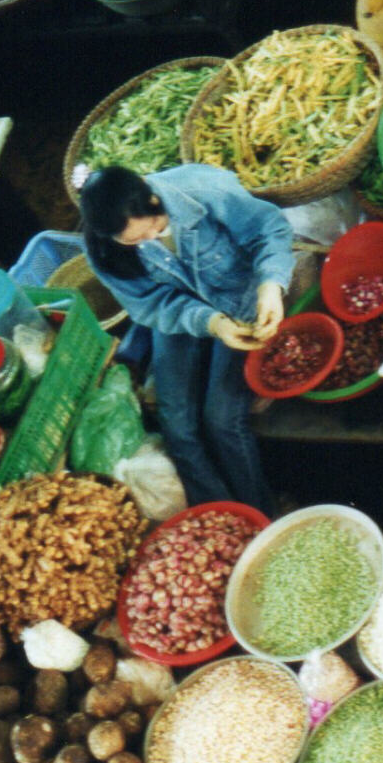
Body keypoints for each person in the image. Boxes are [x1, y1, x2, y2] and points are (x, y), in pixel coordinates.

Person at [79, 164, 293, 514]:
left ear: (151, 197)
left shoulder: (202, 190)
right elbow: (152, 305)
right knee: (176, 422)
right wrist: (211, 323)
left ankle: (260, 511)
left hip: (240, 295)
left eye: (151, 227)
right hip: (180, 314)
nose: (148, 240)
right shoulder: (103, 250)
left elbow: (269, 229)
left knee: (221, 419)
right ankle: (222, 517)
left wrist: (270, 285)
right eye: (133, 241)